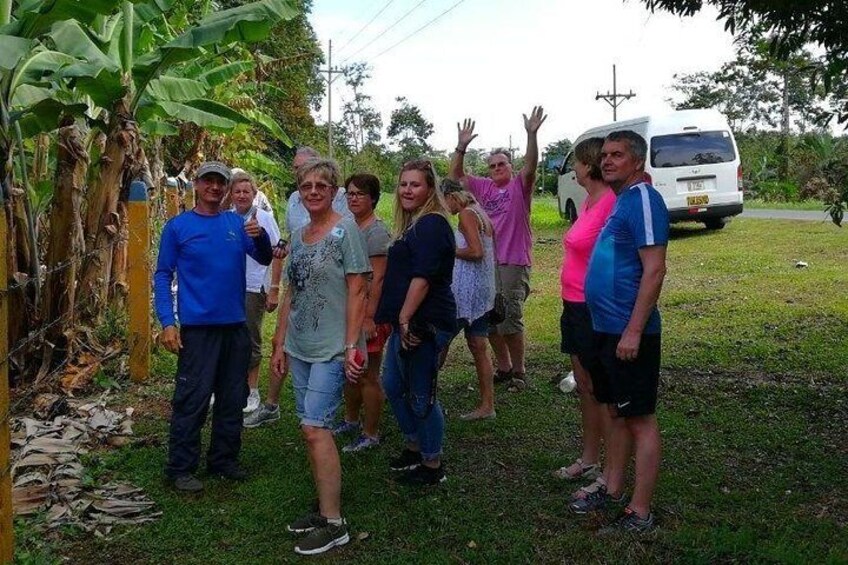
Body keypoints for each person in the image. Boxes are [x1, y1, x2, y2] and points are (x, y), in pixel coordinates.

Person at [269, 158, 369, 555]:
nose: (312, 191)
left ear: (333, 192)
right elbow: (291, 293)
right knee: (312, 431)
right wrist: (279, 345)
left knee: (315, 428)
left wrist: (350, 347)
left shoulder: (345, 231)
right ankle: (324, 506)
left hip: (332, 348)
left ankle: (334, 523)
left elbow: (358, 289)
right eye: (306, 186)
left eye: (321, 186)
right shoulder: (299, 232)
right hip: (300, 346)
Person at [154, 161, 272, 493]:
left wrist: (261, 238)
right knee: (192, 398)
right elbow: (163, 275)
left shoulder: (236, 223)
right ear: (197, 184)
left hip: (235, 326)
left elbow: (263, 257)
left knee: (233, 397)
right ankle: (180, 468)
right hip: (198, 329)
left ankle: (224, 459)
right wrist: (167, 322)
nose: (215, 188)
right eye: (209, 181)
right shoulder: (178, 227)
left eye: (221, 182)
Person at [574, 130, 669, 535]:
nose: (607, 161)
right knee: (614, 411)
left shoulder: (644, 199)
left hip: (630, 334)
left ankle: (641, 511)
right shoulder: (621, 201)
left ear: (637, 162)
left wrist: (633, 330)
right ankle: (612, 487)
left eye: (617, 155)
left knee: (640, 419)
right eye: (605, 155)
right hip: (604, 328)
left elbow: (655, 269)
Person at [246, 147, 352, 428]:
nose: (309, 188)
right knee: (283, 342)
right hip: (300, 277)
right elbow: (290, 236)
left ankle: (339, 415)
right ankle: (274, 404)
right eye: (298, 174)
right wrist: (277, 279)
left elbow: (344, 240)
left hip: (330, 287)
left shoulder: (340, 205)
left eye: (315, 181)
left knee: (330, 360)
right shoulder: (294, 199)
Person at [450, 107, 546, 392]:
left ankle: (519, 371)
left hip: (513, 262)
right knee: (490, 317)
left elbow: (531, 164)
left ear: (510, 166)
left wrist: (531, 134)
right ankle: (503, 367)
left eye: (501, 164)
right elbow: (455, 176)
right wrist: (461, 147)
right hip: (488, 263)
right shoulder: (483, 188)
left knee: (510, 319)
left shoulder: (520, 186)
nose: (496, 169)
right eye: (492, 166)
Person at [375, 160, 456, 486]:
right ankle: (413, 444)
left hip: (424, 321)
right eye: (403, 184)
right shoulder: (414, 224)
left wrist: (405, 318)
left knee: (420, 393)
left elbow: (422, 278)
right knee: (394, 384)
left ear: (429, 189)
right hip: (405, 322)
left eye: (415, 184)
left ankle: (432, 462)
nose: (408, 190)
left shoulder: (432, 224)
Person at [552, 138, 617, 493]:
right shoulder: (590, 201)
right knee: (586, 389)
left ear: (588, 165)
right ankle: (590, 458)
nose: (573, 169)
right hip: (572, 304)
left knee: (601, 390)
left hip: (593, 307)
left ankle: (611, 467)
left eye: (576, 163)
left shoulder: (610, 202)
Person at [332, 173, 392, 453]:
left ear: (373, 199)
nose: (353, 198)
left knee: (368, 374)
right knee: (351, 370)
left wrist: (369, 317)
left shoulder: (376, 232)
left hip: (370, 315)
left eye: (360, 194)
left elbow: (377, 279)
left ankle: (371, 433)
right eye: (350, 194)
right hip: (349, 310)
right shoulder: (348, 227)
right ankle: (351, 419)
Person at [440, 178, 497, 420]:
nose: (445, 208)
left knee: (439, 342)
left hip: (466, 293)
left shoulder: (466, 214)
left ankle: (422, 396)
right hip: (482, 292)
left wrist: (446, 249)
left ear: (452, 196)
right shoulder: (480, 211)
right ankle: (488, 405)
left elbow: (476, 251)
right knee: (478, 346)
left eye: (444, 201)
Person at [229, 170, 283, 413]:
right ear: (230, 194)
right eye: (237, 191)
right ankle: (231, 386)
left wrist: (274, 288)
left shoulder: (263, 217)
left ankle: (253, 390)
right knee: (229, 336)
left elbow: (277, 253)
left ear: (254, 194)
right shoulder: (226, 218)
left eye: (246, 191)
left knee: (251, 336)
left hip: (254, 285)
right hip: (229, 286)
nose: (242, 195)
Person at [285, 147, 351, 234]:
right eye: (296, 168)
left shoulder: (343, 197)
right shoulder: (293, 198)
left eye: (304, 167)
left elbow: (348, 231)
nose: (299, 172)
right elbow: (291, 235)